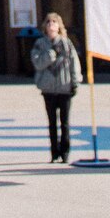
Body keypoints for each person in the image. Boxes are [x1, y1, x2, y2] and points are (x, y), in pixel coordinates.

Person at [30, 12, 83, 164]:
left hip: (64, 87)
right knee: (52, 122)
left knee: (65, 122)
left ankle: (65, 152)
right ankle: (54, 153)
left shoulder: (66, 43)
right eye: (48, 22)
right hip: (48, 89)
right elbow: (38, 63)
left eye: (54, 22)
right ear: (44, 27)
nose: (51, 25)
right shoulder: (40, 44)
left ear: (59, 26)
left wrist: (75, 82)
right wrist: (50, 55)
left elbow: (74, 63)